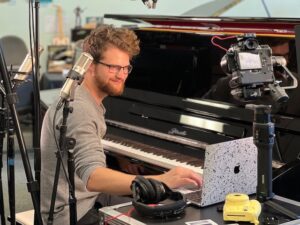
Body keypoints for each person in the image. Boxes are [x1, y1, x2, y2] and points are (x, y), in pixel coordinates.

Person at [40, 24, 202, 225]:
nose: (122, 75)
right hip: (74, 214)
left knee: (163, 207)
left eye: (126, 67)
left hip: (87, 200)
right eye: (113, 67)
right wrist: (163, 179)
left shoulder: (84, 97)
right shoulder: (79, 108)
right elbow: (93, 177)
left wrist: (122, 162)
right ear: (90, 65)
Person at [203, 37, 299, 114]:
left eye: (285, 56)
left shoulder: (296, 83)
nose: (283, 63)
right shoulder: (227, 85)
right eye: (272, 58)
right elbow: (200, 111)